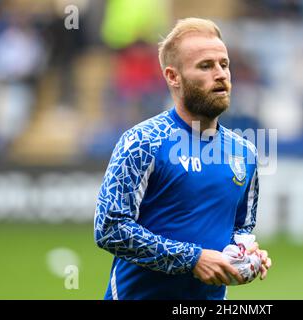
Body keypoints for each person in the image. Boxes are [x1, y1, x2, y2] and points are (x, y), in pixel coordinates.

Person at [94, 17, 271, 300]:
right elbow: (109, 228)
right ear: (173, 76)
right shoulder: (143, 141)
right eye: (205, 66)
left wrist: (246, 252)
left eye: (224, 64)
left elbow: (241, 228)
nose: (221, 74)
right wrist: (193, 259)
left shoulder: (245, 153)